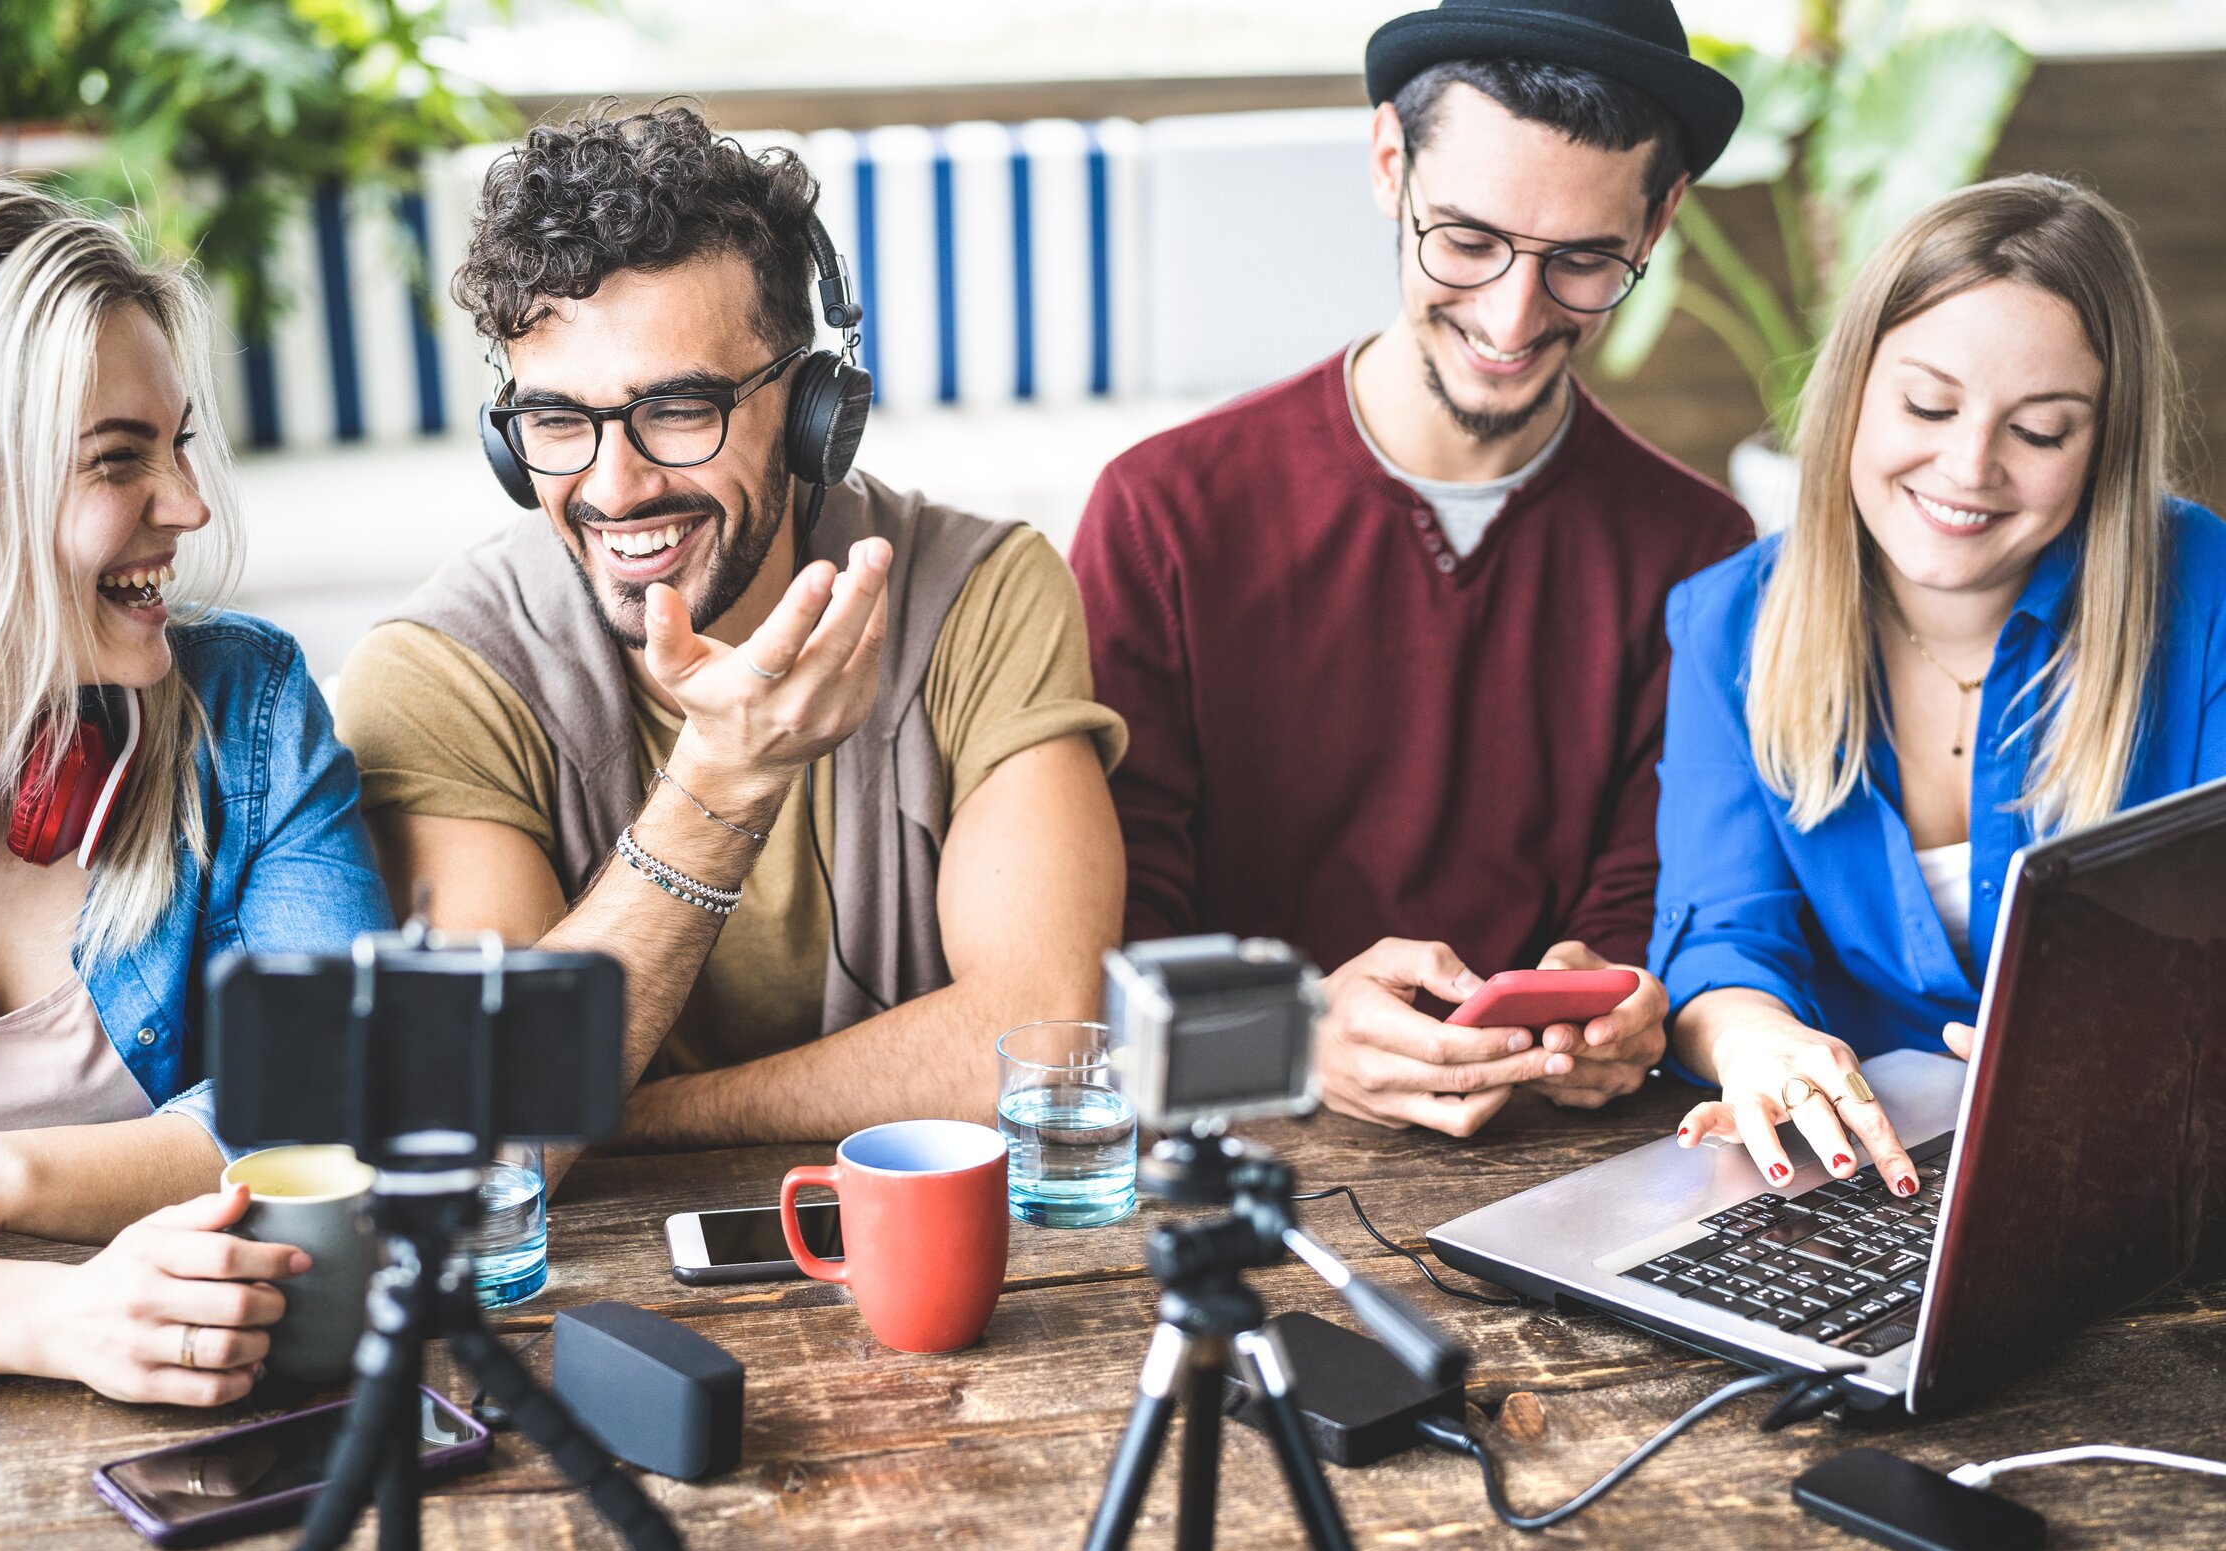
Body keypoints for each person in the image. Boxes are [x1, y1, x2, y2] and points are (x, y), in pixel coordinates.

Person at [334, 107, 1127, 1154]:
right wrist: (723, 783)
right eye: (559, 422)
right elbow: (495, 1127)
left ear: (814, 411)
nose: (614, 489)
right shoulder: (435, 676)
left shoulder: (981, 592)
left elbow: (1045, 1039)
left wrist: (630, 1112)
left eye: (677, 410)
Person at [1070, 0, 1751, 1139]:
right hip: (1231, 1152)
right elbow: (1102, 942)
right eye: (1469, 241)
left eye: (1582, 261)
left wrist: (1628, 1008)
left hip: (1571, 1162)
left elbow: (1665, 906)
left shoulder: (1704, 553)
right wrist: (1295, 1032)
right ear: (1391, 163)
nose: (1511, 315)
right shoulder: (1163, 515)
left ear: (1658, 220)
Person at [0, 178, 393, 1404]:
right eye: (117, 460)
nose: (187, 506)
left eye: (178, 443)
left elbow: (339, 1095)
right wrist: (44, 1316)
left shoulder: (247, 709)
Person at [1655, 174, 2226, 1194]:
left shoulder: (2206, 593)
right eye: (1928, 403)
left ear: (2104, 445)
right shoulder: (1727, 621)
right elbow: (1721, 935)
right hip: (1859, 1174)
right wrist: (1756, 1042)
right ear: (1855, 393)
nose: (1969, 467)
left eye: (2041, 430)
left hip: (2150, 1166)